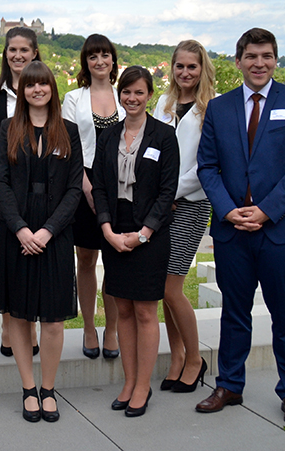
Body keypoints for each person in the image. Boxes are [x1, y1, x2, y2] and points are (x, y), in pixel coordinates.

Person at [195, 28, 285, 427]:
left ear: (275, 60)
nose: (259, 63)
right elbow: (208, 167)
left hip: (280, 229)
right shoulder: (219, 108)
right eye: (251, 56)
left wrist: (265, 210)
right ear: (238, 61)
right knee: (234, 312)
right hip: (232, 230)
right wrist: (229, 211)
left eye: (266, 56)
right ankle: (229, 384)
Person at [0, 61, 82, 423]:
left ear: (52, 89)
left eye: (43, 84)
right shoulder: (8, 128)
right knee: (21, 317)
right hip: (16, 234)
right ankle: (28, 388)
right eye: (30, 85)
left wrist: (46, 231)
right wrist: (22, 229)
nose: (37, 90)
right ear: (22, 91)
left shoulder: (68, 131)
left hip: (54, 235)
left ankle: (48, 388)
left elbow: (74, 189)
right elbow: (1, 183)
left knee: (53, 321)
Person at [92, 66, 179, 418]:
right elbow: (98, 185)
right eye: (126, 92)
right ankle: (128, 382)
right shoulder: (108, 135)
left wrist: (144, 234)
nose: (131, 98)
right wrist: (107, 229)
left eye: (139, 92)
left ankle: (143, 385)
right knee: (122, 310)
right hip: (115, 229)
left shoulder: (163, 136)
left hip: (150, 232)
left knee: (144, 311)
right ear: (119, 94)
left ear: (149, 95)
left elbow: (167, 192)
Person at [153, 40, 216, 392]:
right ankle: (176, 356)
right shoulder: (164, 104)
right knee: (163, 288)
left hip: (190, 204)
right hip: (163, 206)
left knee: (171, 287)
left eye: (192, 66)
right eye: (180, 66)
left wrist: (168, 194)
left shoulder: (212, 108)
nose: (185, 73)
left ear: (202, 67)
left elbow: (205, 165)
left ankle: (195, 359)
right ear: (172, 68)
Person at [0, 26, 41, 357]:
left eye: (24, 50)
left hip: (38, 193)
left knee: (32, 260)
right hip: (0, 192)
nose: (18, 55)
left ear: (34, 53)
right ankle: (7, 326)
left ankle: (29, 326)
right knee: (3, 259)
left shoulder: (43, 90)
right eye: (12, 50)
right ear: (5, 54)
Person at [61, 34, 124, 360]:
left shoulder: (123, 95)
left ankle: (111, 329)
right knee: (85, 260)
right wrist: (85, 185)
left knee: (115, 261)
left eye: (105, 55)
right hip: (84, 184)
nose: (100, 61)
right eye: (93, 56)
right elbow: (68, 146)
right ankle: (88, 327)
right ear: (85, 63)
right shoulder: (73, 98)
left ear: (113, 60)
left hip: (121, 189)